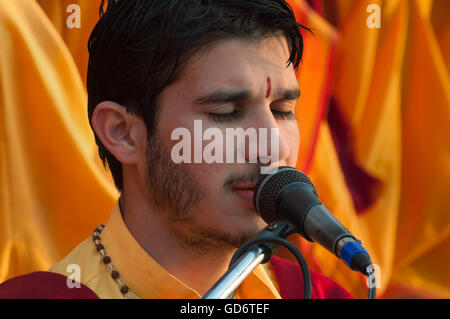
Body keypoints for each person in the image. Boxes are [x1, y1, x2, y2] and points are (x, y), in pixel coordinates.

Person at [0, 0, 351, 299]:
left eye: (283, 111)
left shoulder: (315, 292)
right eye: (225, 114)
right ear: (122, 132)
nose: (272, 145)